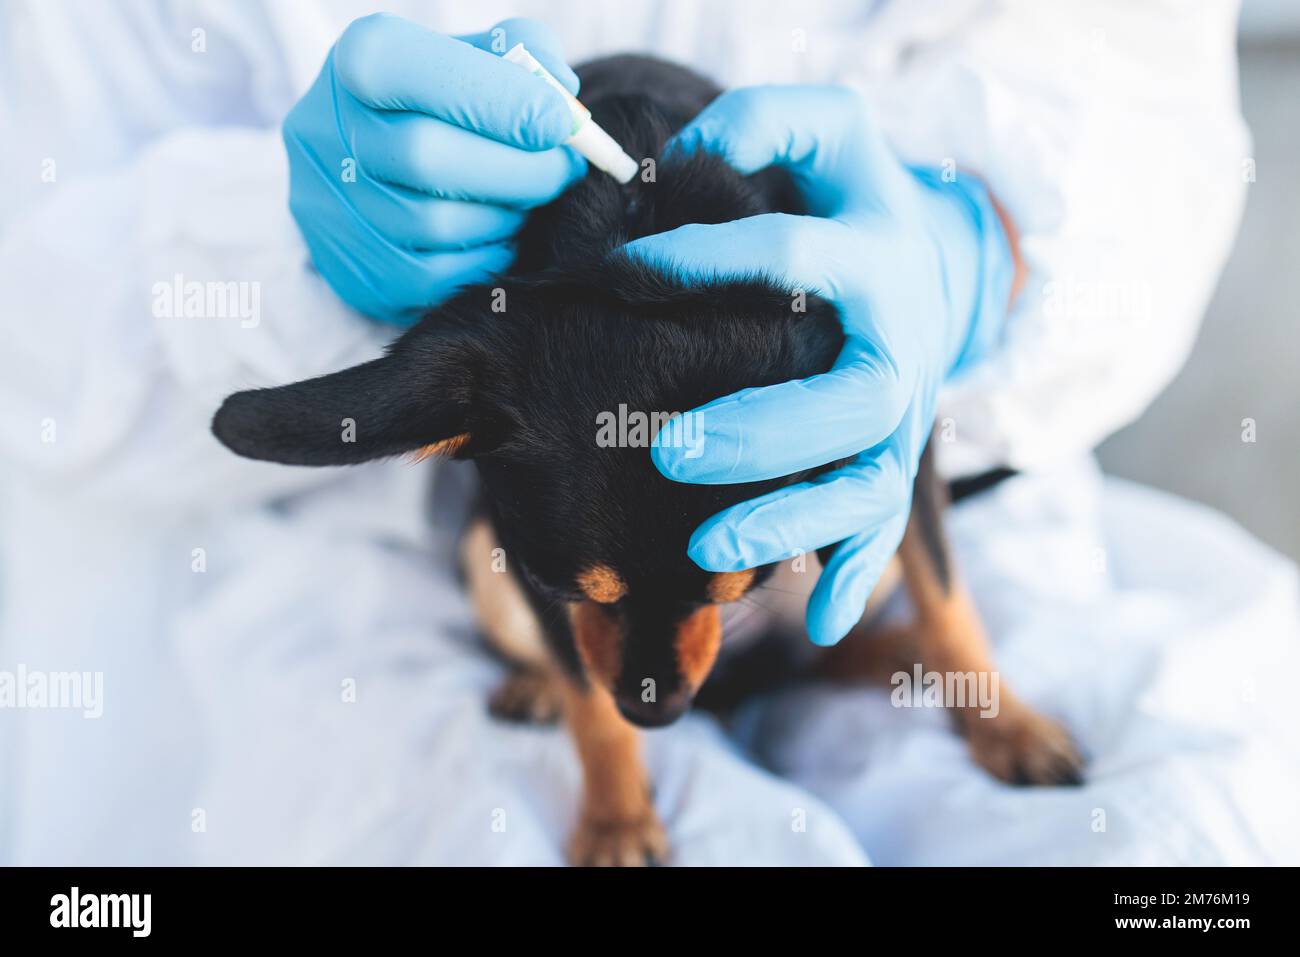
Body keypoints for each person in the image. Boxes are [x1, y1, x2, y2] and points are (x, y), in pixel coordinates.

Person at [6, 1, 1296, 867]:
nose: (658, 682)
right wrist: (283, 258)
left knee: (1181, 842)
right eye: (601, 599)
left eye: (711, 601)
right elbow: (35, 332)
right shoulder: (499, 436)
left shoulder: (817, 318)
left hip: (933, 519)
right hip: (366, 613)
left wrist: (977, 253)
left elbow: (1150, 113)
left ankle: (909, 658)